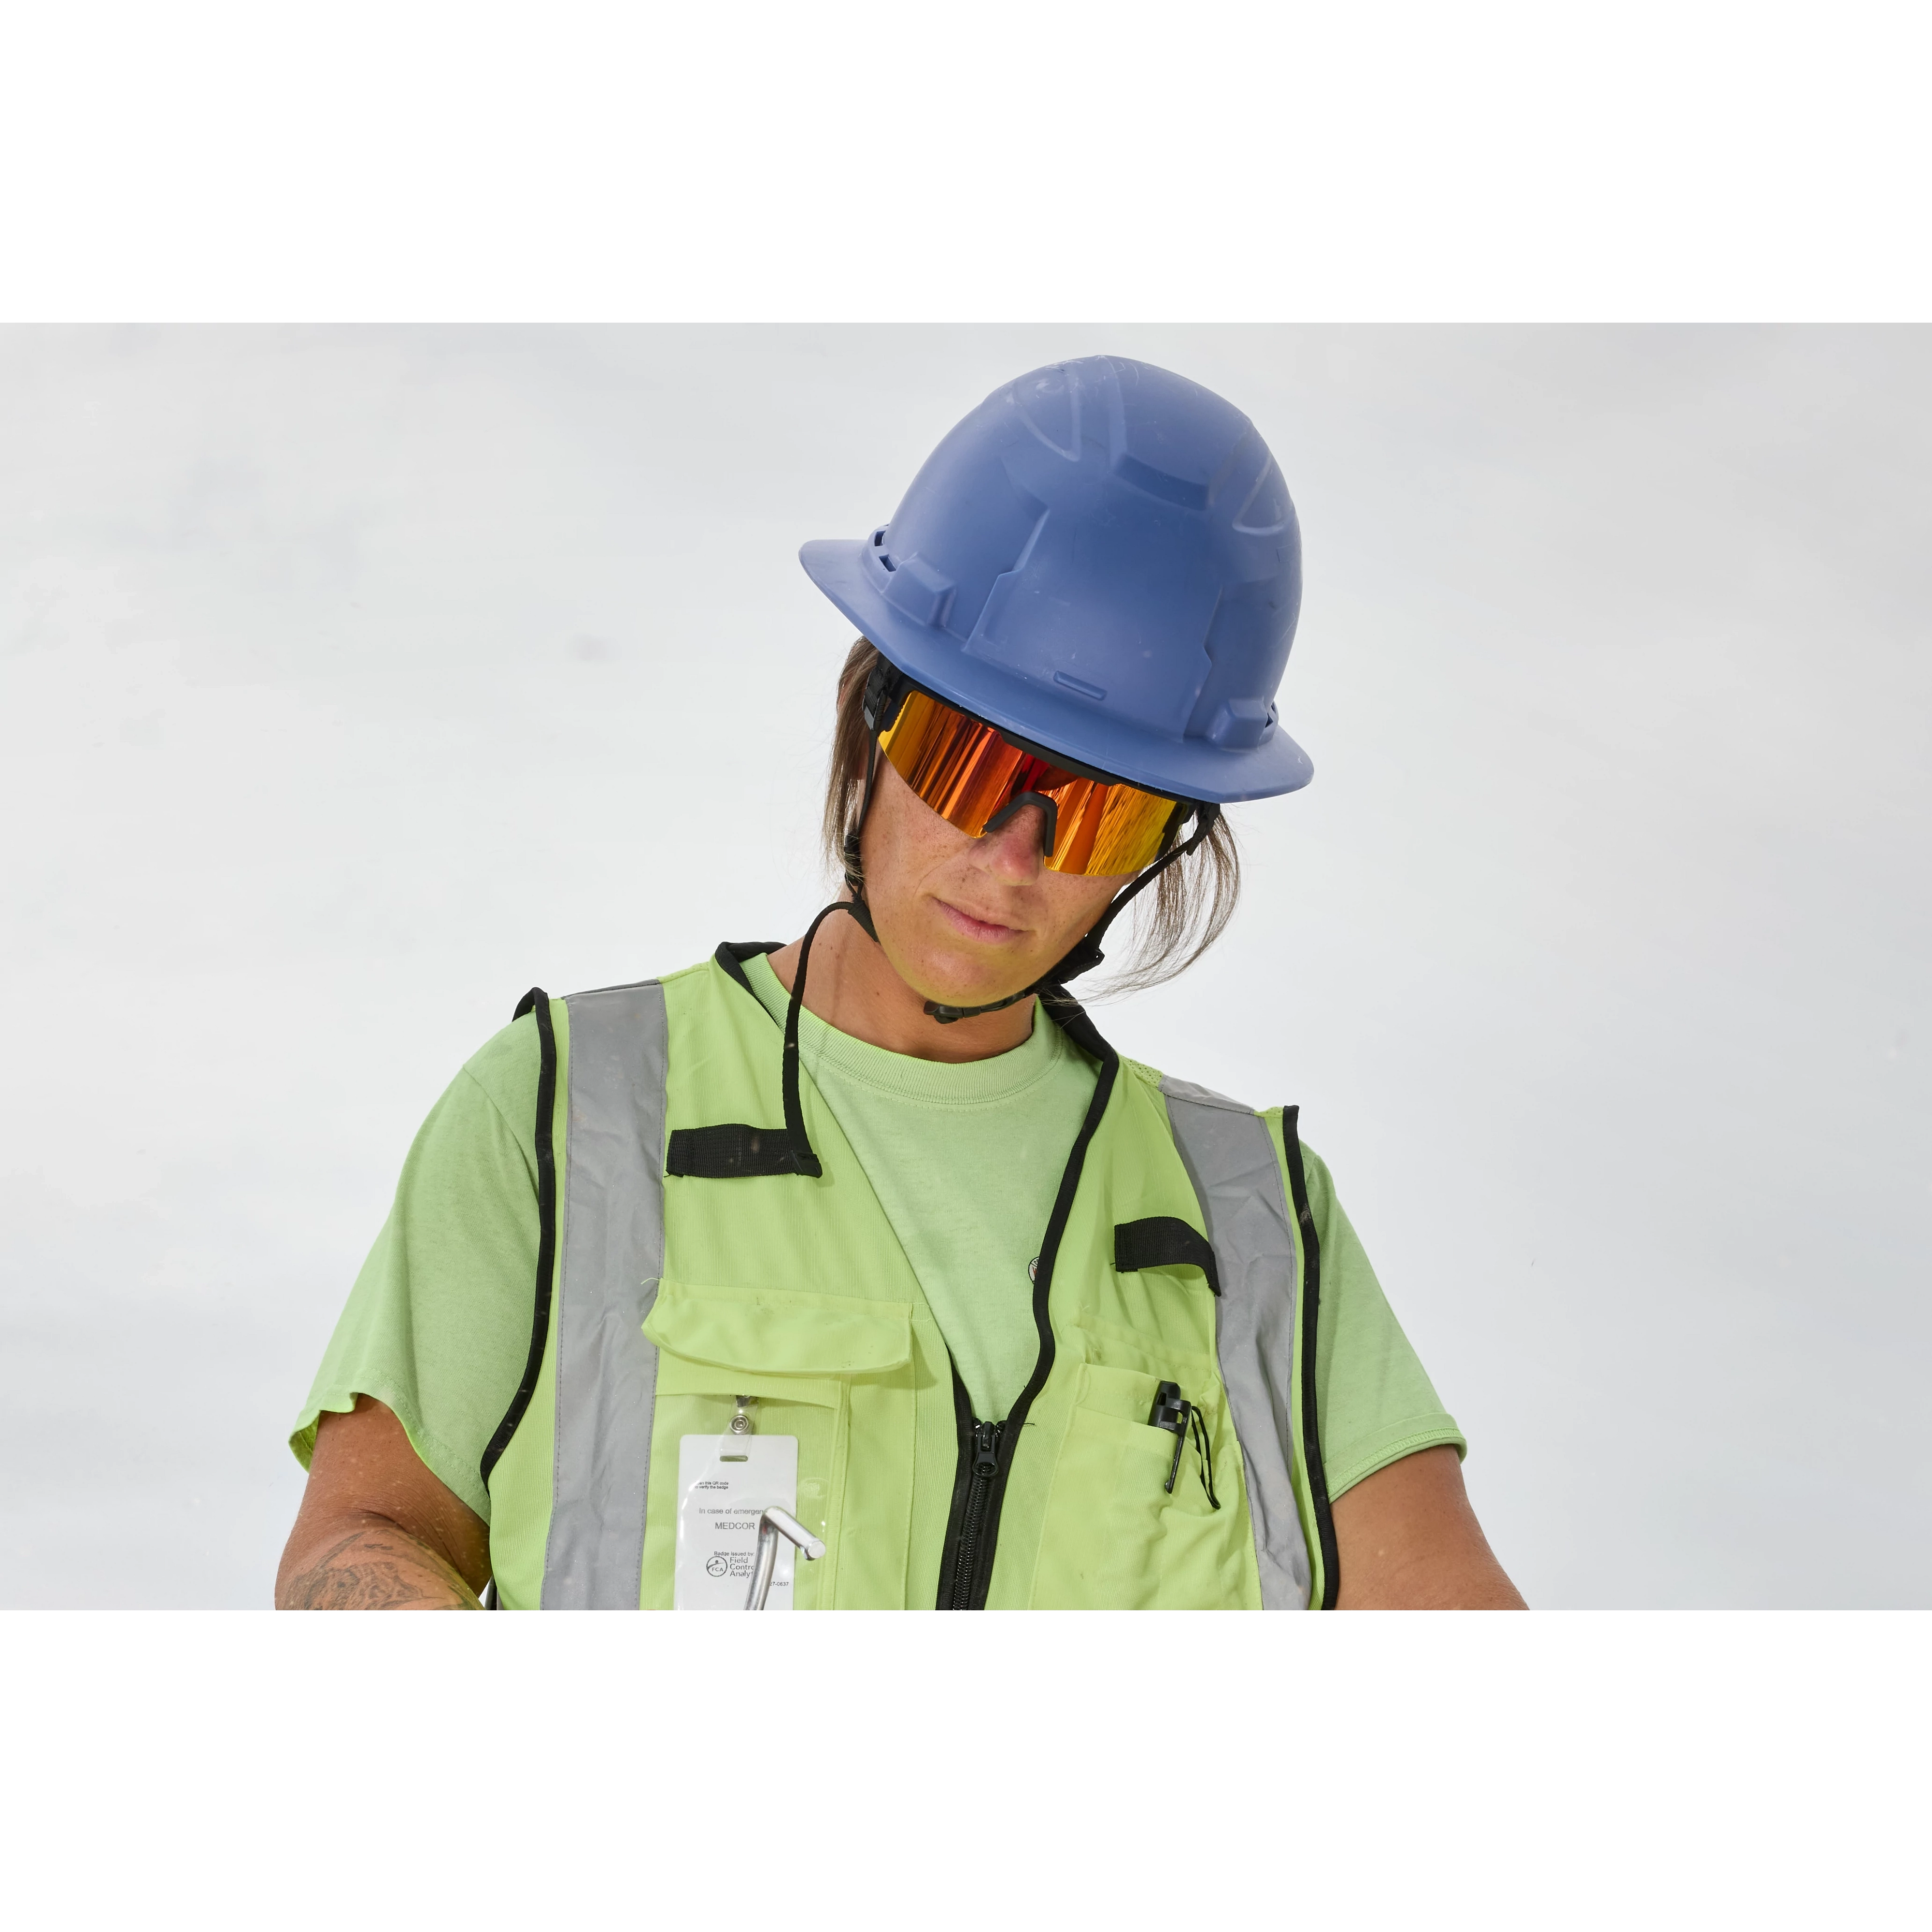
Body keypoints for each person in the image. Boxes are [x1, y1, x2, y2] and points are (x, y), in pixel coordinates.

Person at [278, 355, 1525, 1611]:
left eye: (1100, 812)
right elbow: (365, 1537)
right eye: (972, 762)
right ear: (869, 714)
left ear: (1165, 849)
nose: (1013, 860)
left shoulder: (1255, 1224)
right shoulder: (567, 1115)